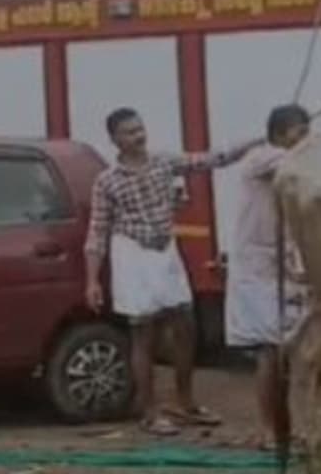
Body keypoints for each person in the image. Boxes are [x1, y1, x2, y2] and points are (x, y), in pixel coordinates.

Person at [85, 107, 261, 436]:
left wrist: (252, 142)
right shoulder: (107, 181)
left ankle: (186, 402)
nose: (138, 136)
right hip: (132, 254)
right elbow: (96, 233)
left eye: (140, 129)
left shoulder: (163, 162)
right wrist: (92, 280)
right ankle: (150, 411)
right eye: (129, 132)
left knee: (185, 326)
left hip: (165, 250)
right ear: (115, 139)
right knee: (144, 334)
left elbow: (211, 160)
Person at [225, 104, 311, 451]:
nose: (305, 140)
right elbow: (297, 161)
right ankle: (268, 430)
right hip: (256, 271)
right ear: (278, 136)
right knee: (269, 352)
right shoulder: (262, 159)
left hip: (282, 266)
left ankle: (293, 427)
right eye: (299, 133)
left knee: (294, 351)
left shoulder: (291, 165)